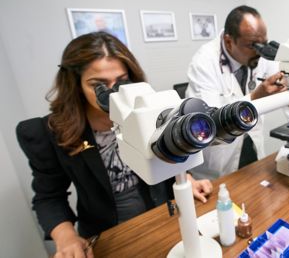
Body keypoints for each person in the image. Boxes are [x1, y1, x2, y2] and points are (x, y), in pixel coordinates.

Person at [16, 32, 213, 258]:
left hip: (159, 220)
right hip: (107, 235)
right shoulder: (49, 132)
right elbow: (49, 197)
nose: (112, 94)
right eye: (98, 86)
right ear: (76, 84)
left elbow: (160, 153)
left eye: (121, 82)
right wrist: (66, 237)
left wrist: (185, 178)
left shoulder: (146, 111)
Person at [186, 5, 287, 179]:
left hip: (251, 152)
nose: (260, 52)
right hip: (217, 165)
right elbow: (209, 123)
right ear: (228, 41)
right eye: (252, 45)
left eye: (263, 44)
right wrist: (255, 97)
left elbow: (287, 79)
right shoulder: (204, 62)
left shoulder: (258, 55)